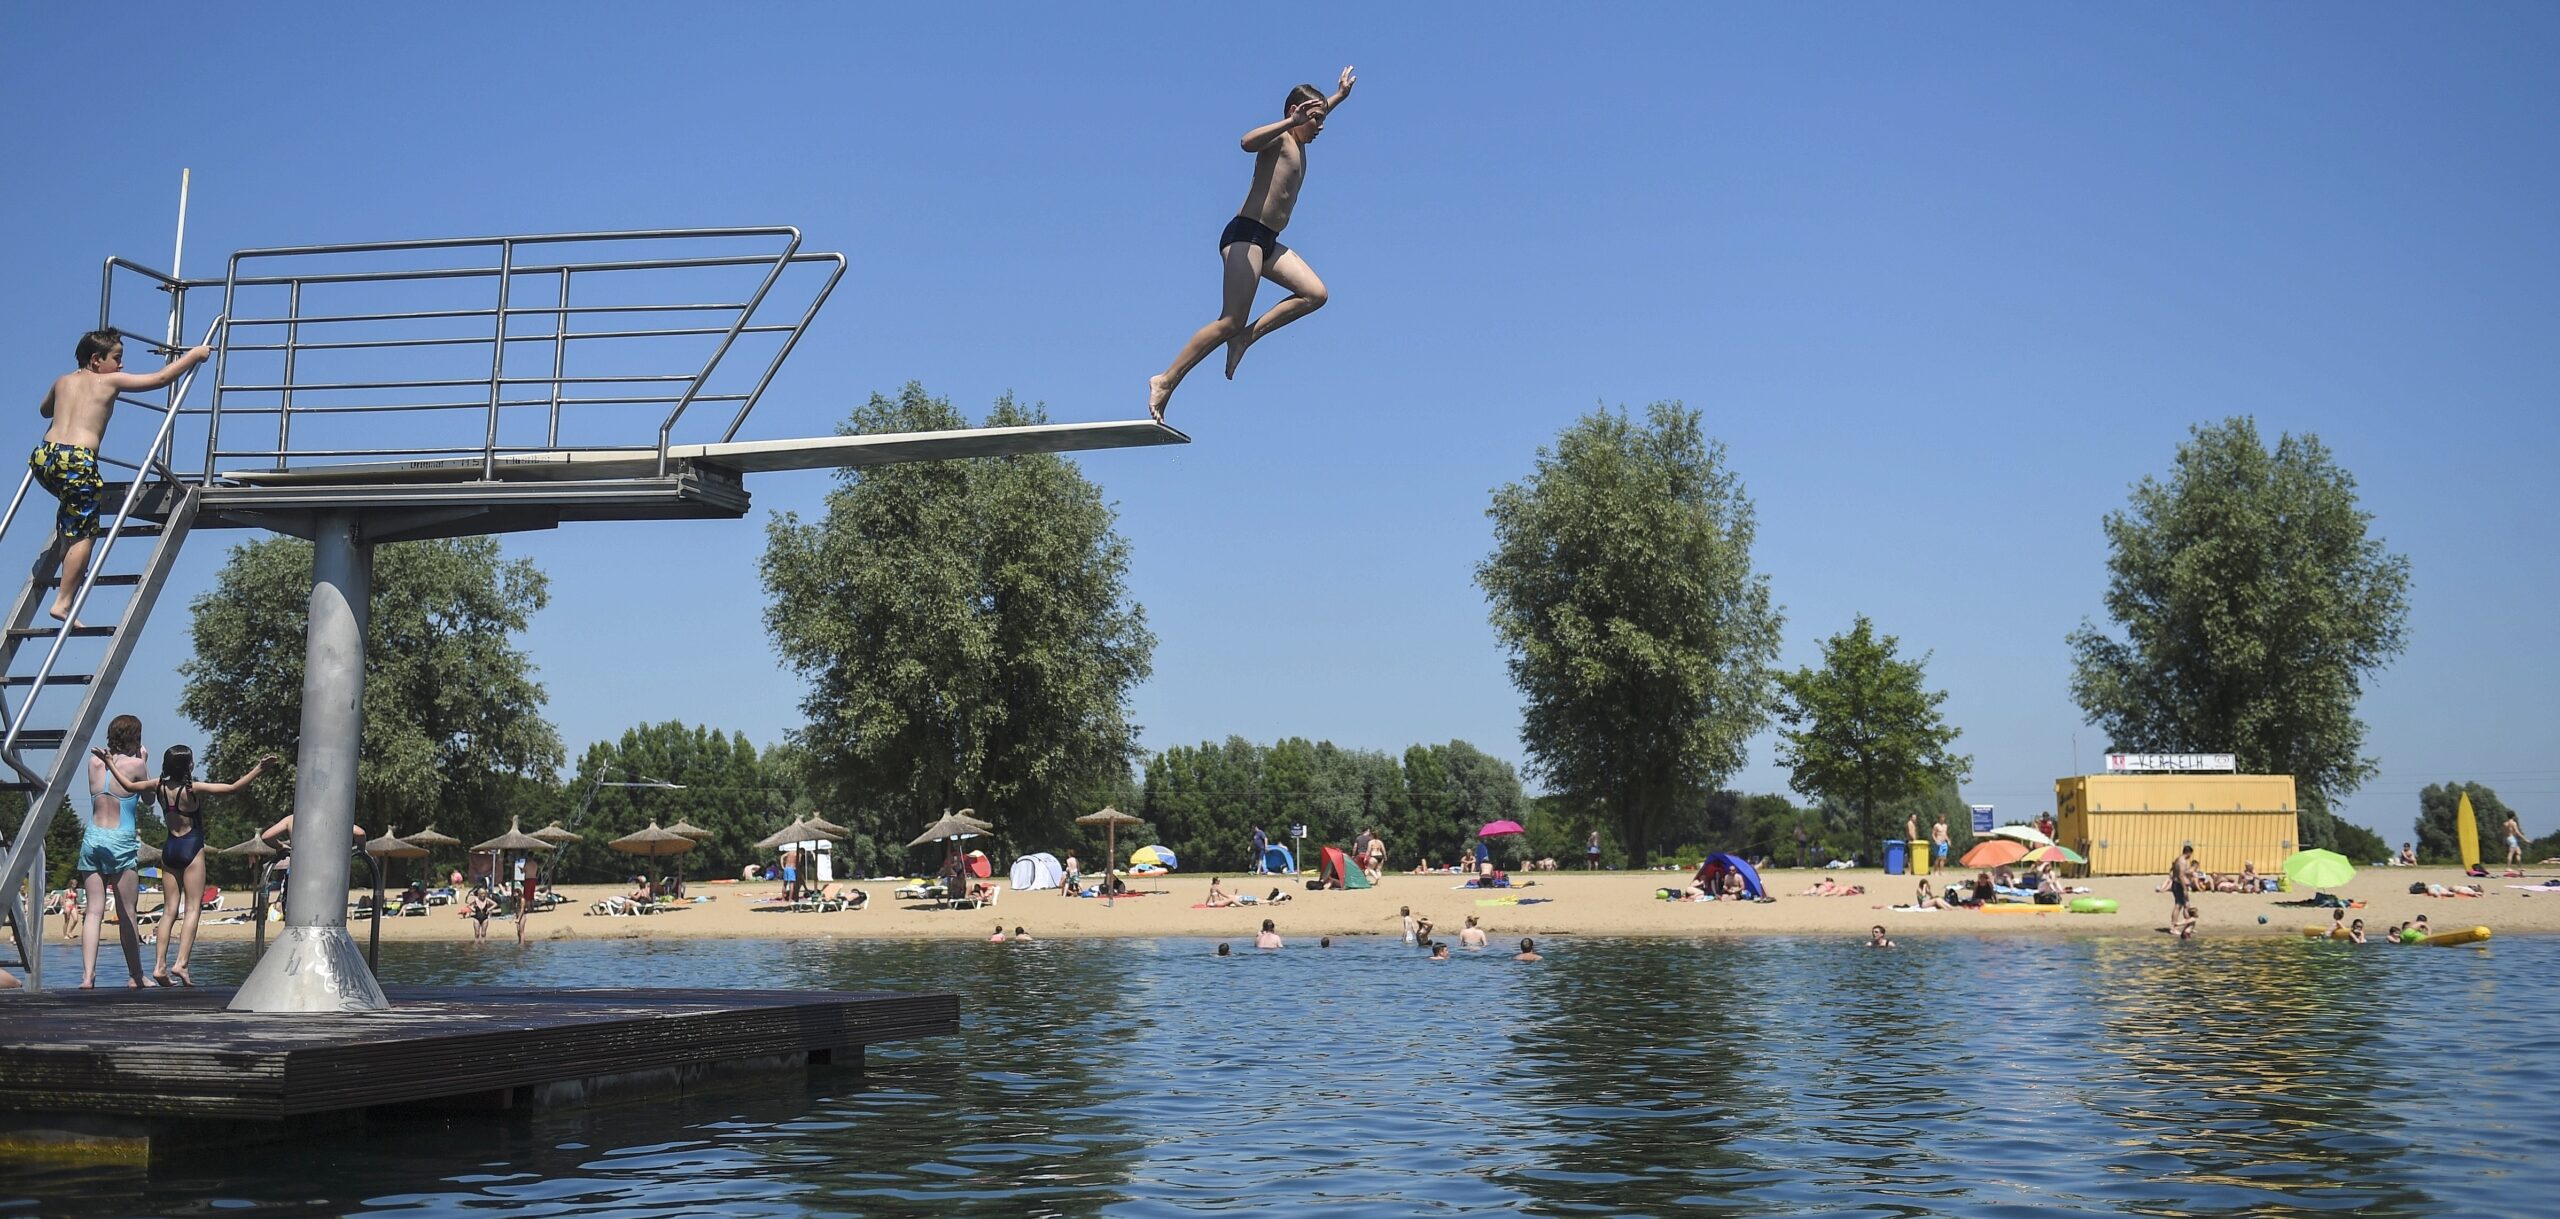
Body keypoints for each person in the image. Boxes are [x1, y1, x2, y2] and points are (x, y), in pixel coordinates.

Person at [1147, 67, 1358, 422]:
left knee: (1315, 294)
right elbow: (1246, 142)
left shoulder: (1301, 138)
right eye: (1315, 120)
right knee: (1230, 318)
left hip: (1269, 241)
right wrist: (1289, 122)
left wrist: (1337, 97)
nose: (1321, 127)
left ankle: (1246, 338)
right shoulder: (1281, 138)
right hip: (1245, 235)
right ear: (1295, 113)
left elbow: (1316, 115)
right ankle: (1165, 380)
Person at [33, 331, 212, 623]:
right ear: (96, 360)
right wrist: (194, 355)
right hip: (77, 461)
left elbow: (44, 411)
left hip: (45, 457)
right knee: (85, 535)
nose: (121, 365)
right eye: (116, 358)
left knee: (72, 517)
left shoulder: (62, 381)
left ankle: (68, 565)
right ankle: (63, 603)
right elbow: (160, 379)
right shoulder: (109, 381)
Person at [106, 745, 275, 987]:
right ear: (188, 766)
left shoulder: (159, 786)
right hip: (191, 848)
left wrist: (111, 762)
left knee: (169, 911)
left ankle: (159, 966)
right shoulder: (192, 789)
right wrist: (259, 768)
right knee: (193, 908)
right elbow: (232, 789)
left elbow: (129, 786)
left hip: (170, 849)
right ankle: (181, 963)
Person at [77, 715, 154, 988]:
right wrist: (144, 761)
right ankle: (136, 975)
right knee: (127, 912)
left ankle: (88, 976)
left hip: (93, 837)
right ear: (135, 736)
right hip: (120, 839)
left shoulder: (94, 763)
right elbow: (148, 799)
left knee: (94, 911)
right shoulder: (135, 765)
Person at [517, 853, 541, 947]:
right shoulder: (535, 864)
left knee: (527, 895)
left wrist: (520, 868)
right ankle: (532, 907)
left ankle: (528, 908)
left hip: (528, 879)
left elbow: (523, 871)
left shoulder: (527, 863)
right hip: (534, 879)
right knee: (531, 895)